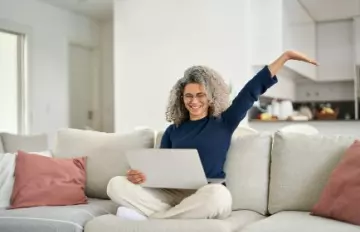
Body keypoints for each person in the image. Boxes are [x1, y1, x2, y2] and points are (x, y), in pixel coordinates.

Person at [107, 50, 318, 220]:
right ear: (181, 99)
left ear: (210, 98)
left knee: (219, 196)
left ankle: (157, 219)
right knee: (116, 184)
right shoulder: (173, 130)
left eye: (200, 95)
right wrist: (140, 177)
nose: (194, 101)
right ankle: (172, 218)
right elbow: (161, 173)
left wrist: (285, 57)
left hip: (206, 193)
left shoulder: (224, 122)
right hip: (173, 195)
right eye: (188, 96)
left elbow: (250, 90)